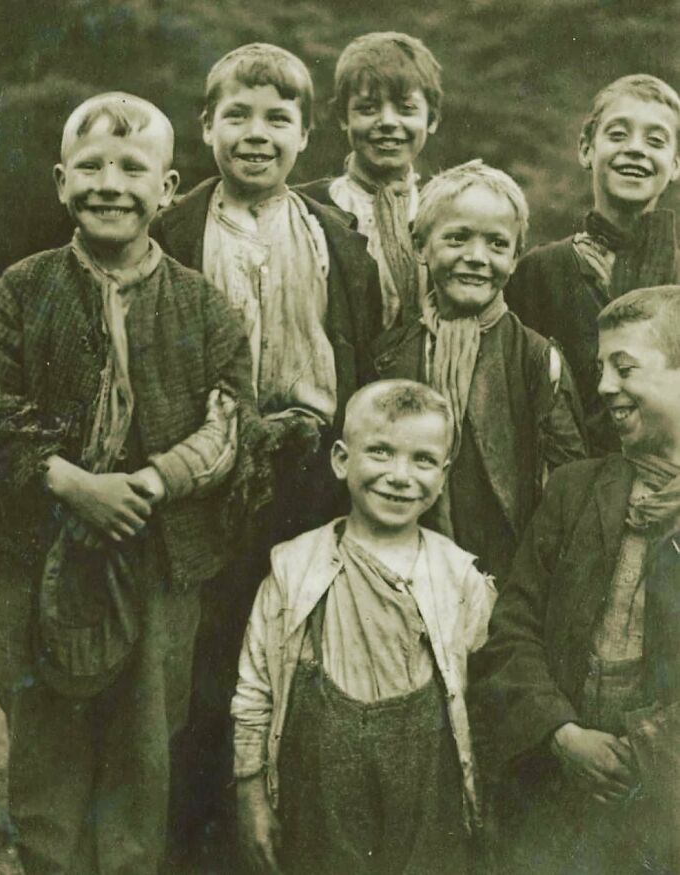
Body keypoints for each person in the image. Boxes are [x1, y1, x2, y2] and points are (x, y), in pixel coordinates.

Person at [0, 92, 256, 875]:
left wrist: (153, 482)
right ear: (61, 181)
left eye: (133, 168)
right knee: (45, 730)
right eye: (91, 167)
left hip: (158, 550)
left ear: (166, 189)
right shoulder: (25, 288)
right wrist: (70, 482)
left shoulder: (204, 305)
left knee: (145, 735)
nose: (110, 184)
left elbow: (233, 420)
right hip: (40, 550)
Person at [150, 43, 383, 854]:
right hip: (208, 477)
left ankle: (290, 838)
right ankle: (195, 841)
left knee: (296, 650)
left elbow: (362, 351)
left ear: (306, 136)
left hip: (310, 475)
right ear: (206, 127)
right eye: (238, 116)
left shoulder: (334, 236)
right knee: (205, 661)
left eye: (278, 119)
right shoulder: (172, 231)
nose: (257, 133)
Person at [232, 379, 497, 875]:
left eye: (422, 460)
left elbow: (483, 696)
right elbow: (255, 689)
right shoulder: (294, 569)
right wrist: (250, 791)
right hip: (320, 794)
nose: (400, 476)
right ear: (340, 459)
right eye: (380, 451)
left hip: (426, 793)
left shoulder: (458, 577)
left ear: (443, 475)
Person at [469, 284, 680, 874]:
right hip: (559, 801)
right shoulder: (574, 490)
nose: (604, 386)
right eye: (600, 368)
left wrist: (642, 750)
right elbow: (512, 628)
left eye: (625, 368)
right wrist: (561, 734)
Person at [373, 160, 586, 581]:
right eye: (456, 238)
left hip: (504, 576)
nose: (475, 257)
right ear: (420, 246)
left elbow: (565, 494)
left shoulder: (537, 361)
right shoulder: (388, 356)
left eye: (497, 244)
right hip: (402, 571)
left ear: (515, 258)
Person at [506, 74, 680, 454]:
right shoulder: (538, 272)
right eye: (618, 135)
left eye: (655, 141)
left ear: (676, 164)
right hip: (566, 479)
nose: (635, 149)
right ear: (586, 149)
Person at [298, 31, 442, 328]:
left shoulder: (444, 214)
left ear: (432, 118)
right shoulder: (305, 208)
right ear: (343, 117)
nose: (388, 122)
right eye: (368, 109)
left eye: (406, 109)